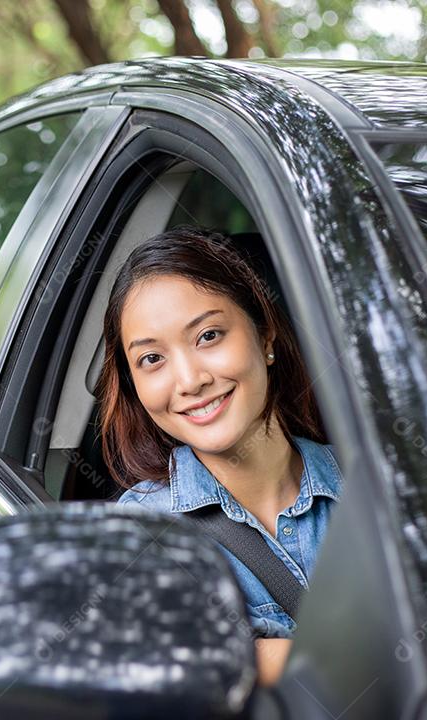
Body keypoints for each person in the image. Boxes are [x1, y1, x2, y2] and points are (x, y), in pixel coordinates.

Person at [96, 226, 343, 686]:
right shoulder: (144, 532)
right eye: (152, 359)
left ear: (265, 335)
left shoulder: (375, 481)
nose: (189, 380)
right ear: (134, 385)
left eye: (208, 335)